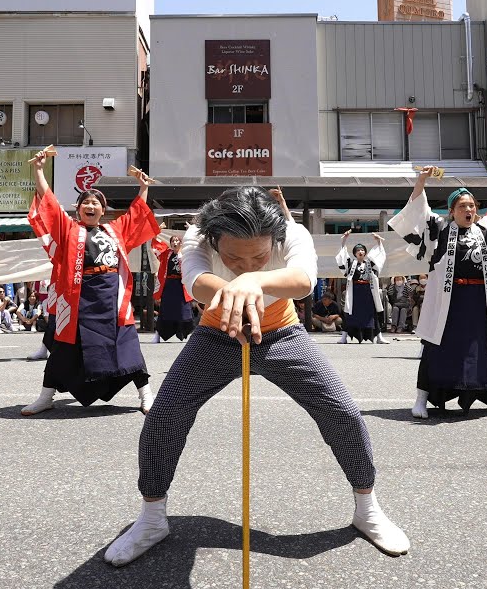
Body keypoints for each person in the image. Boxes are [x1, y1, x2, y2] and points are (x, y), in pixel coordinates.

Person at [103, 186, 410, 567]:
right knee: (165, 414)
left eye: (260, 258)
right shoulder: (199, 233)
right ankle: (151, 519)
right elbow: (195, 281)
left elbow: (302, 281)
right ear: (215, 239)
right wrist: (237, 286)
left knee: (342, 412)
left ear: (275, 238)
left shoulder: (292, 231)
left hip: (282, 332)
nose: (247, 265)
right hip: (217, 333)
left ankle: (367, 507)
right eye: (232, 258)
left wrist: (255, 282)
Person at [21, 148, 161, 415]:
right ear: (78, 208)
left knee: (127, 344)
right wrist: (39, 170)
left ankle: (146, 395)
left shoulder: (115, 229)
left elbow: (137, 213)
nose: (91, 206)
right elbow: (48, 203)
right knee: (63, 347)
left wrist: (143, 187)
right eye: (86, 202)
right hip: (77, 295)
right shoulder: (69, 229)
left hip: (110, 295)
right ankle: (46, 396)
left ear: (103, 209)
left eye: (96, 203)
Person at [388, 164, 487, 419]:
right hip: (447, 301)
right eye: (462, 206)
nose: (468, 210)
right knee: (435, 346)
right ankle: (421, 398)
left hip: (479, 300)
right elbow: (418, 209)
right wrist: (421, 180)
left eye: (472, 206)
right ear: (452, 211)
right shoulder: (439, 230)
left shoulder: (486, 230)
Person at [335, 231, 388, 344]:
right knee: (350, 313)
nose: (360, 252)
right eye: (358, 250)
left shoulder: (370, 263)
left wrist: (378, 241)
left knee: (372, 313)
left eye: (362, 250)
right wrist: (344, 239)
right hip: (355, 292)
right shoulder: (351, 264)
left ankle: (379, 337)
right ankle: (344, 337)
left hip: (368, 291)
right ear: (354, 253)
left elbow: (380, 258)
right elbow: (342, 256)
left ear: (365, 253)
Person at [151, 235, 195, 343]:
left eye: (177, 240)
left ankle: (187, 334)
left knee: (184, 311)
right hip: (169, 286)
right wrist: (156, 233)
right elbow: (156, 246)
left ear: (181, 243)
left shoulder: (185, 254)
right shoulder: (166, 254)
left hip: (181, 286)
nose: (175, 243)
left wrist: (193, 230)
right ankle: (158, 334)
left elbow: (195, 247)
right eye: (173, 241)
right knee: (165, 310)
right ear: (170, 243)